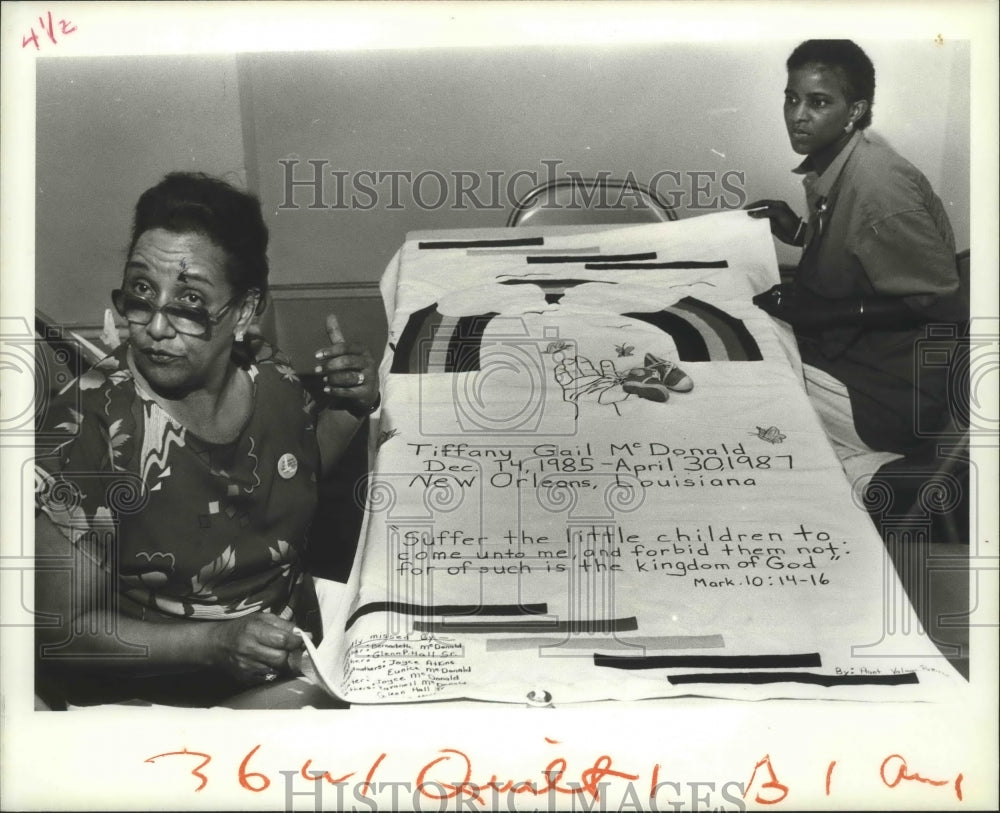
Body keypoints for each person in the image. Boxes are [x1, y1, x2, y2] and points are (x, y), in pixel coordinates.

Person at [34, 172, 380, 707]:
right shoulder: (87, 429)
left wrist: (350, 409)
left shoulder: (271, 375)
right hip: (168, 702)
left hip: (295, 663)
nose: (153, 327)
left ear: (243, 313)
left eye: (189, 302)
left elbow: (290, 476)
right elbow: (62, 633)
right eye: (142, 293)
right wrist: (213, 643)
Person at [745, 39, 967, 491]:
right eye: (792, 98)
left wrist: (822, 314)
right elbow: (866, 253)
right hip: (865, 363)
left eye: (818, 102)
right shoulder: (842, 162)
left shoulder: (877, 186)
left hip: (892, 394)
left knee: (749, 390)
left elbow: (943, 302)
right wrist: (799, 233)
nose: (797, 115)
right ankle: (854, 467)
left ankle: (874, 472)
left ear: (854, 111)